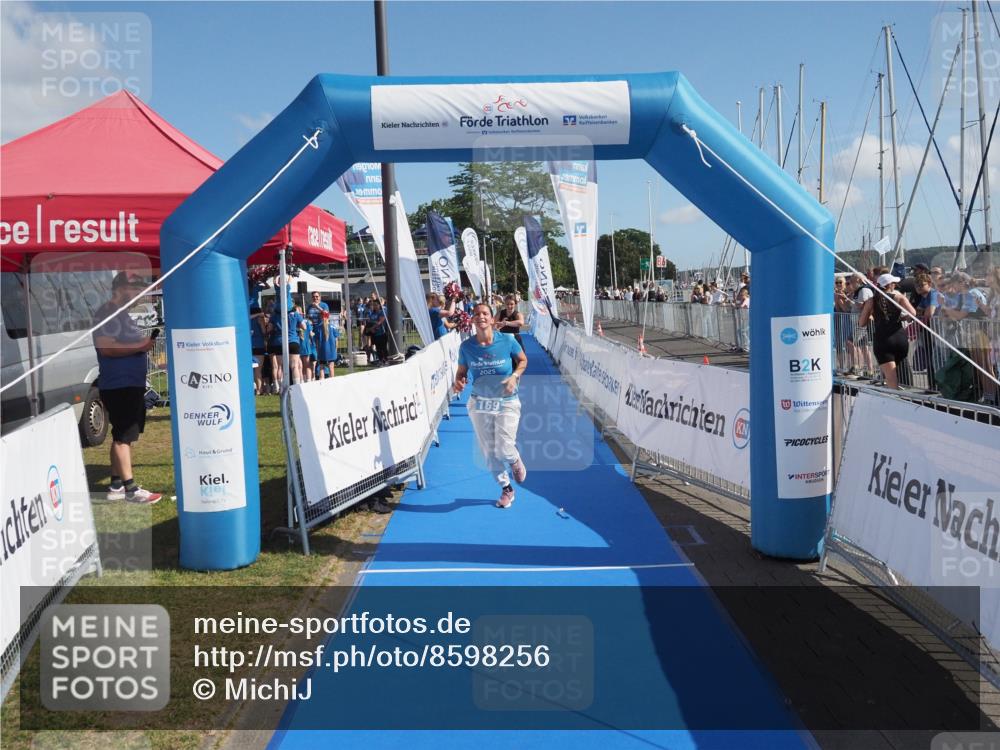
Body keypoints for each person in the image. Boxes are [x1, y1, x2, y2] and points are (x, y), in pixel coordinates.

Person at [92, 272, 162, 504]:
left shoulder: (120, 314)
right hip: (118, 384)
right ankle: (131, 489)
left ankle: (116, 485)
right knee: (124, 436)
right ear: (120, 288)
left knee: (121, 436)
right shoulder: (107, 313)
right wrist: (141, 346)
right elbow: (106, 349)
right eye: (135, 289)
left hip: (128, 384)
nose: (138, 294)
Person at [453, 303, 528, 509]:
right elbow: (461, 372)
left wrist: (514, 376)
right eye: (476, 314)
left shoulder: (508, 340)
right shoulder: (466, 347)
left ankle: (514, 460)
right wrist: (458, 381)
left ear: (492, 318)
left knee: (504, 448)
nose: (481, 317)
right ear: (472, 319)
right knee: (489, 451)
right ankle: (506, 488)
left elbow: (522, 361)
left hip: (507, 401)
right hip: (480, 402)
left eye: (485, 313)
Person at [858, 273, 917, 390]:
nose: (895, 285)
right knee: (901, 370)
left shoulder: (871, 301)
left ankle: (896, 398)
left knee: (891, 378)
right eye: (894, 283)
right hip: (900, 338)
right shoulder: (899, 297)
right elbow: (913, 313)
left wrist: (872, 316)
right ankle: (908, 394)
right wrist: (902, 318)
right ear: (889, 285)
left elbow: (861, 323)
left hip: (883, 339)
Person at [249, 301, 268, 395]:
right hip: (259, 345)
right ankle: (259, 389)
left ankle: (254, 388)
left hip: (249, 345)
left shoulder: (247, 319)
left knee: (251, 369)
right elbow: (264, 331)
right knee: (258, 370)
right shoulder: (260, 319)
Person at [366, 298, 389, 364]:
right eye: (373, 305)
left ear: (379, 305)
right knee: (378, 348)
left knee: (383, 348)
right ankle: (381, 360)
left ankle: (386, 360)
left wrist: (372, 328)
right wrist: (370, 329)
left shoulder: (382, 312)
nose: (374, 306)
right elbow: (370, 321)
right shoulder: (372, 313)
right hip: (375, 334)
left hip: (382, 333)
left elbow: (380, 321)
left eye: (376, 305)